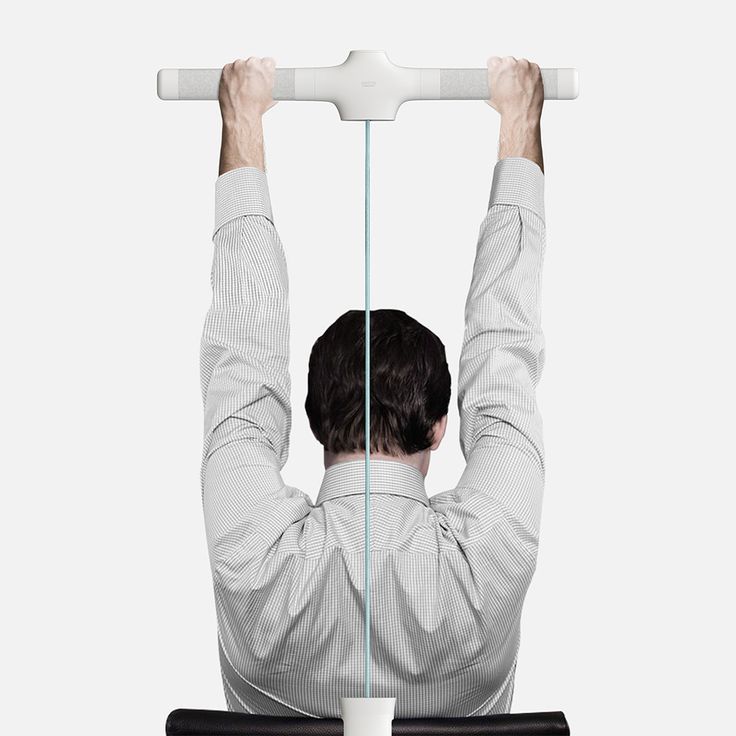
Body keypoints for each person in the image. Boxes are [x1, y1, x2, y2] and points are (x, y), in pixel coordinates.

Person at [200, 55, 546, 718]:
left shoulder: (253, 552)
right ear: (442, 425)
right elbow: (505, 358)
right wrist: (519, 123)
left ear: (311, 420)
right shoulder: (488, 558)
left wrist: (241, 120)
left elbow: (244, 363)